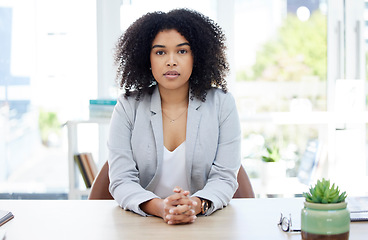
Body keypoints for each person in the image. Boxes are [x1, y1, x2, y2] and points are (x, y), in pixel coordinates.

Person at [108, 8, 242, 225]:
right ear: (147, 58)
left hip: (205, 224)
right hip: (143, 225)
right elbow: (121, 180)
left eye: (182, 51)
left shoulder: (222, 104)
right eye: (160, 52)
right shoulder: (127, 107)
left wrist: (195, 205)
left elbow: (225, 177)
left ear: (196, 56)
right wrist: (161, 208)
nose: (171, 61)